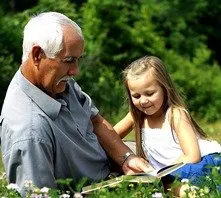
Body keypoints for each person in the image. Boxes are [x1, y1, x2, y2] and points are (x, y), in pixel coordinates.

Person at [0, 12, 153, 196]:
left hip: (114, 167)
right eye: (69, 61)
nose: (75, 71)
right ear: (37, 55)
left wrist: (126, 158)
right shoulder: (30, 131)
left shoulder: (56, 82)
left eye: (78, 59)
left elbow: (95, 121)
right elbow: (39, 194)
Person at [114, 55, 221, 196]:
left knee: (170, 185)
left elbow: (192, 156)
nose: (143, 101)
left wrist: (163, 173)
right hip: (169, 173)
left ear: (164, 88)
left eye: (150, 93)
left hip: (203, 163)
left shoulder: (176, 115)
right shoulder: (136, 116)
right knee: (159, 187)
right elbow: (111, 137)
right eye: (136, 96)